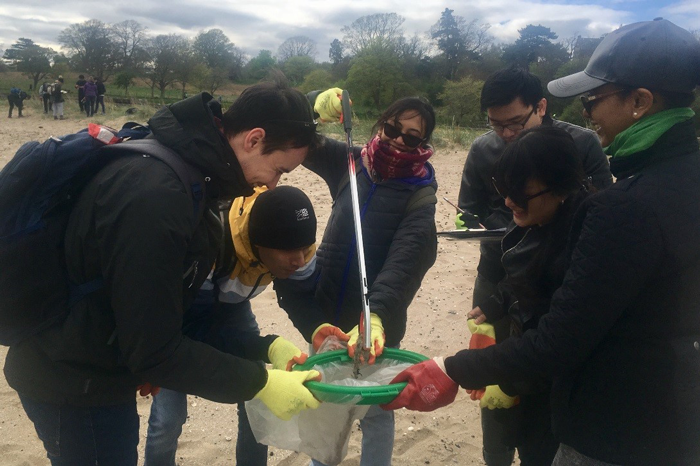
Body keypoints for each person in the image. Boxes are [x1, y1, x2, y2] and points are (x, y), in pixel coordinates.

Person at [384, 18, 700, 466]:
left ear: (640, 101)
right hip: (675, 408)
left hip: (616, 427)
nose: (587, 111)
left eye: (593, 100)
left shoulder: (621, 205)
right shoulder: (676, 180)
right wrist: (497, 300)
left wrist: (450, 368)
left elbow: (559, 339)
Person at [3, 83, 323, 465]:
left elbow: (172, 318)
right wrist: (261, 383)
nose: (272, 185)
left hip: (98, 366)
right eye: (279, 170)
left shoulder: (191, 174)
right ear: (254, 140)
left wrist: (265, 347)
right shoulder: (158, 194)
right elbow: (154, 350)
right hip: (73, 381)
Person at [456, 66, 612, 466]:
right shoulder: (482, 150)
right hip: (498, 278)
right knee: (494, 383)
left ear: (540, 106)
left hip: (558, 276)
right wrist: (506, 224)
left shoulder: (581, 144)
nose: (505, 134)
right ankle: (497, 457)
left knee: (542, 380)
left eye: (514, 123)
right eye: (496, 125)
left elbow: (598, 213)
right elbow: (468, 211)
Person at [276, 96, 438, 466]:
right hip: (328, 306)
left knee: (377, 413)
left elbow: (404, 261)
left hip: (377, 318)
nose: (399, 140)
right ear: (382, 123)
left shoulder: (420, 194)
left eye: (412, 138)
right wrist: (315, 114)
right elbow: (303, 143)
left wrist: (377, 313)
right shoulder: (351, 161)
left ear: (423, 143)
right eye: (394, 129)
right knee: (327, 404)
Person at [145, 185, 318, 466]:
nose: (299, 260)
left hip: (233, 304)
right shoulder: (210, 244)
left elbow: (301, 295)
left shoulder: (297, 248)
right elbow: (195, 331)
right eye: (289, 251)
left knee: (257, 403)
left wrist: (318, 327)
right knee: (168, 419)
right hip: (182, 314)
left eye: (304, 248)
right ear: (258, 244)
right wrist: (267, 346)